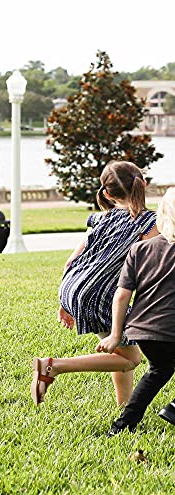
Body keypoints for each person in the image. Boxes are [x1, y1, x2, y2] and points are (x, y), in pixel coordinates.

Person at [31, 161, 159, 407]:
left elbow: (71, 262)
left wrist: (67, 301)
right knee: (131, 359)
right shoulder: (148, 223)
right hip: (97, 295)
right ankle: (53, 366)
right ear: (142, 184)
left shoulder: (102, 218)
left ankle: (124, 407)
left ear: (107, 194)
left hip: (72, 287)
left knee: (121, 350)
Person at [96, 187, 175, 435]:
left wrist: (116, 335)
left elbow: (122, 295)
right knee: (160, 369)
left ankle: (121, 426)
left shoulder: (139, 250)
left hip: (142, 331)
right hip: (170, 327)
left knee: (159, 370)